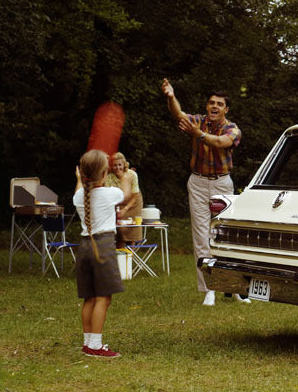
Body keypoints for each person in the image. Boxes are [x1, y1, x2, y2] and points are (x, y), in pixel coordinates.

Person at [160, 78, 249, 306]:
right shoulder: (198, 120)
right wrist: (171, 97)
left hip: (222, 184)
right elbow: (178, 115)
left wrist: (198, 134)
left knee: (225, 237)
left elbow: (221, 142)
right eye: (211, 103)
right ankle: (209, 288)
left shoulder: (232, 128)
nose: (214, 106)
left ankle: (233, 287)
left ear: (225, 109)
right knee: (201, 238)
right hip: (198, 183)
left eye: (219, 104)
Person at [74, 149, 131, 358]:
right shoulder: (110, 194)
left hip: (84, 247)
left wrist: (79, 179)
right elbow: (126, 195)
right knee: (103, 298)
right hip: (103, 247)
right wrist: (124, 176)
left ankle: (88, 342)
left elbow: (80, 189)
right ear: (105, 174)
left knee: (89, 298)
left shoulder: (78, 197)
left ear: (82, 173)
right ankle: (96, 346)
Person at [104, 151, 143, 247]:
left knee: (132, 231)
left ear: (124, 164)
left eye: (120, 165)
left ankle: (129, 258)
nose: (117, 168)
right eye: (115, 165)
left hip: (134, 203)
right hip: (118, 204)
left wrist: (125, 209)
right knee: (120, 232)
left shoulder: (132, 175)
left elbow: (134, 195)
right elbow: (108, 197)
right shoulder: (109, 178)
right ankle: (121, 257)